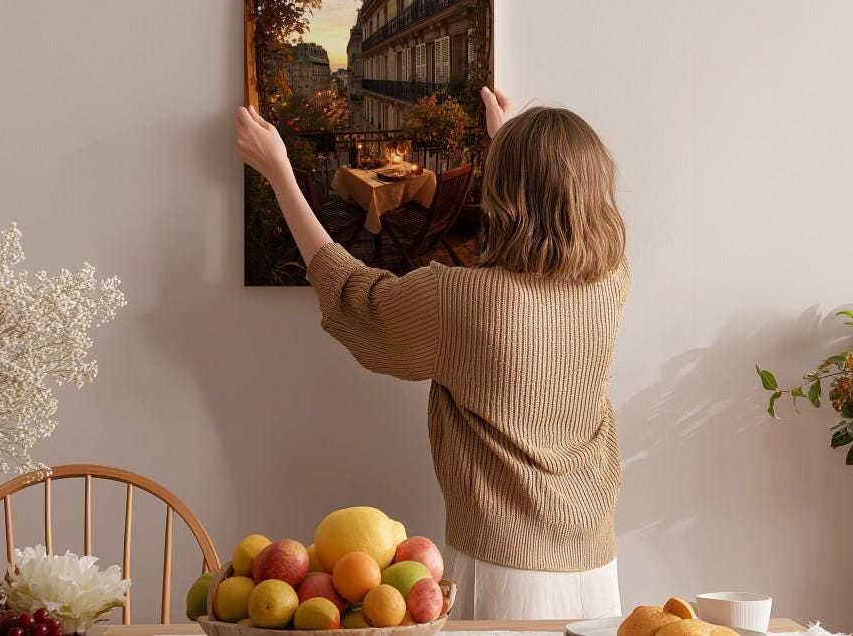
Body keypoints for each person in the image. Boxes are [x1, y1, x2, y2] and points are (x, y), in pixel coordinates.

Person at [236, 87, 629, 620]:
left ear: (505, 192)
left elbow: (354, 294)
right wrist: (509, 141)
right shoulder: (610, 281)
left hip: (503, 569)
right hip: (596, 564)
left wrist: (279, 171)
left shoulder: (463, 301)